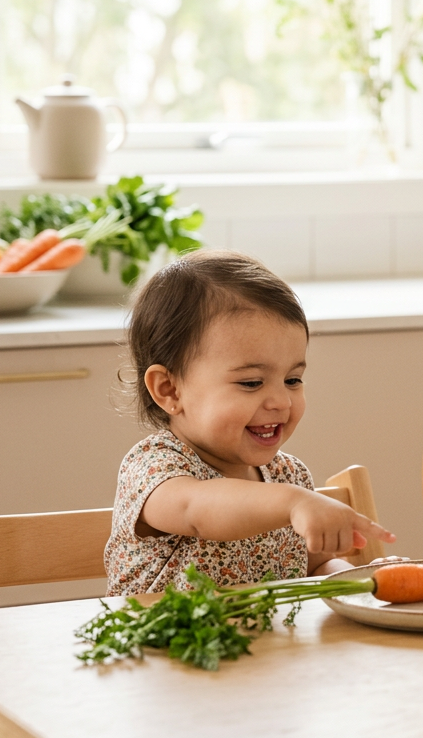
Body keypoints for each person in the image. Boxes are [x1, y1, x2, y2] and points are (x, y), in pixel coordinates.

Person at [105, 250, 395, 596]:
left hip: (266, 647)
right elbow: (199, 509)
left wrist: (354, 578)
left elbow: (314, 565)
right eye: (251, 383)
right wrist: (293, 503)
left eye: (292, 380)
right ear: (170, 390)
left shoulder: (289, 476)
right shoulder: (154, 468)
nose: (281, 402)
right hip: (159, 648)